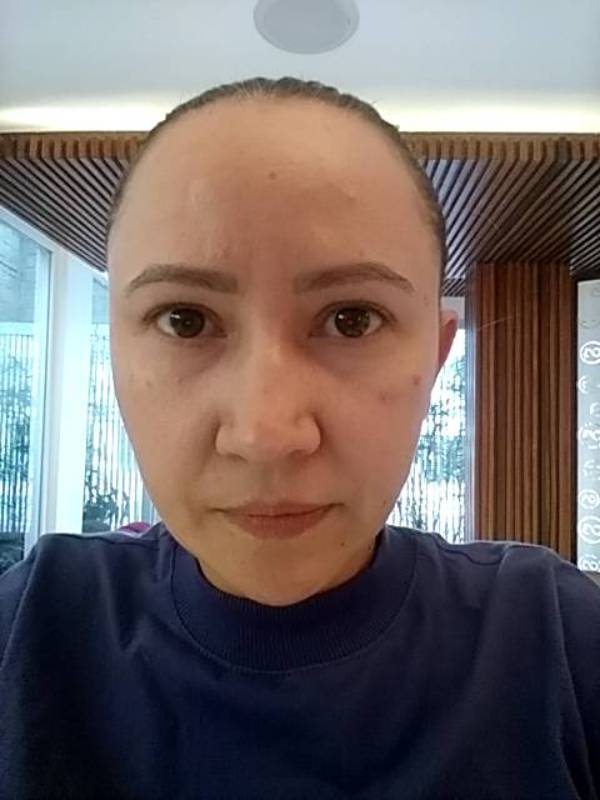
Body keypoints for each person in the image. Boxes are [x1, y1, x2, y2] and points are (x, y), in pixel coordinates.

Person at [0, 77, 598, 800]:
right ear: (117, 354)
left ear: (436, 358)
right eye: (185, 320)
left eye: (352, 319)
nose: (266, 434)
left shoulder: (554, 642)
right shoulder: (30, 630)